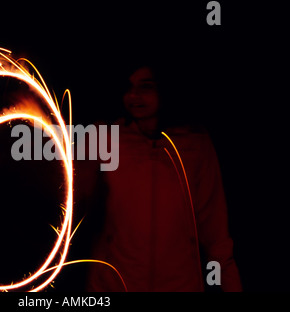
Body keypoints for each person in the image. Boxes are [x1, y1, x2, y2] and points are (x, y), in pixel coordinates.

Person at [77, 63, 242, 292]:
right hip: (114, 286)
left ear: (166, 88)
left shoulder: (195, 145)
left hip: (180, 285)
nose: (134, 96)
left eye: (146, 87)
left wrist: (231, 286)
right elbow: (71, 203)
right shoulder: (104, 138)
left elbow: (216, 234)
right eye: (129, 87)